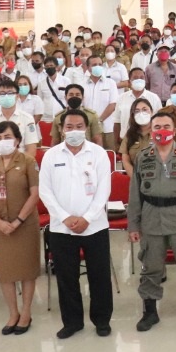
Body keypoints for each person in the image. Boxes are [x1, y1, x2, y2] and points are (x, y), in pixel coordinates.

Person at [128, 111, 176, 331]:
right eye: (156, 127)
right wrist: (133, 224)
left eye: (165, 126)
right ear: (150, 130)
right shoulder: (143, 156)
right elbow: (135, 193)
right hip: (151, 216)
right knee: (151, 266)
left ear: (174, 131)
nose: (161, 131)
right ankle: (150, 312)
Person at [39, 109, 114, 339]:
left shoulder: (99, 154)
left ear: (87, 129)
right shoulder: (51, 155)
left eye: (79, 126)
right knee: (66, 276)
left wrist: (87, 218)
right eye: (69, 127)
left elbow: (104, 190)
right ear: (61, 130)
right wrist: (64, 217)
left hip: (95, 225)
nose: (74, 131)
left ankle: (101, 320)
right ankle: (72, 322)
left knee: (99, 275)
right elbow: (45, 191)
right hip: (62, 227)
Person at [0, 120, 42, 334]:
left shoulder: (28, 161)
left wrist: (18, 221)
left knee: (26, 270)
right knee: (5, 272)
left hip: (24, 225)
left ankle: (26, 312)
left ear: (17, 140)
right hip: (1, 226)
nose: (3, 141)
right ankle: (12, 313)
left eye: (7, 137)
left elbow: (35, 194)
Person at [119, 97, 156, 176]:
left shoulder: (159, 132)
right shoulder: (130, 134)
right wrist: (135, 178)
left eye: (144, 109)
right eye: (137, 111)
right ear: (133, 115)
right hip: (135, 177)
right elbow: (125, 160)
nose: (141, 113)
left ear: (152, 112)